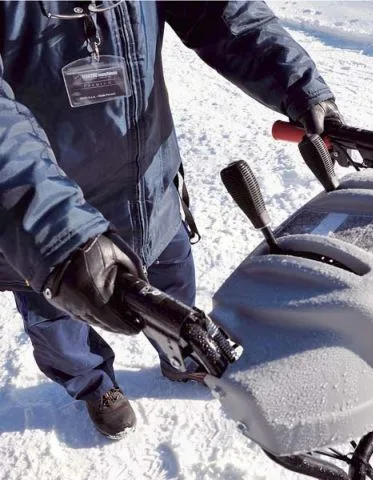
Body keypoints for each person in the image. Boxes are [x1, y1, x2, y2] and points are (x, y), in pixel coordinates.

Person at [0, 1, 343, 440]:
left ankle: (180, 356)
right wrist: (57, 234)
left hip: (149, 194)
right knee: (60, 326)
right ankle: (95, 386)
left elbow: (223, 13)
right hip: (46, 221)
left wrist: (301, 86)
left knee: (174, 285)